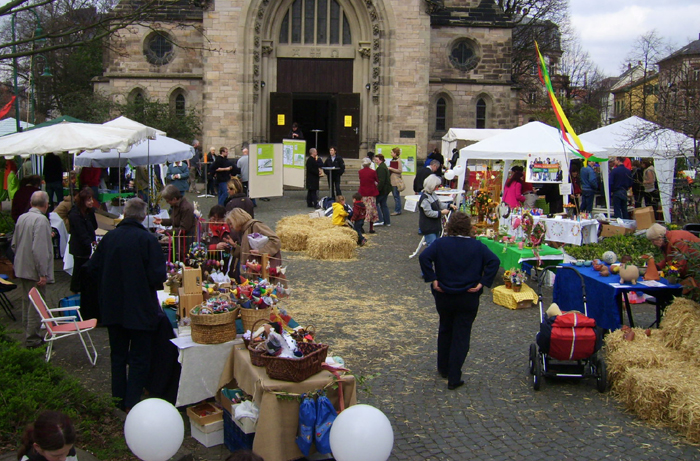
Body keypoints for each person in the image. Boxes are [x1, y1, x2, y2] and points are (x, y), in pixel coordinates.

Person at [85, 198, 167, 411]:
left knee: (118, 356)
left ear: (124, 213)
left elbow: (91, 269)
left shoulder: (109, 238)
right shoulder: (147, 240)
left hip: (113, 308)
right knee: (140, 358)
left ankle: (117, 399)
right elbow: (158, 276)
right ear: (142, 216)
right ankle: (132, 402)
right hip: (140, 308)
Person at [419, 211, 499, 390]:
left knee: (445, 328)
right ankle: (454, 375)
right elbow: (494, 261)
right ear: (468, 227)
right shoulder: (477, 246)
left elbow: (424, 257)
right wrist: (482, 283)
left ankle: (443, 367)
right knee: (461, 335)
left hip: (444, 294)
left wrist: (432, 278)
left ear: (450, 226)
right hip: (468, 295)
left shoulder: (440, 244)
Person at [12, 191, 54, 349]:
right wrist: (42, 273)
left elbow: (14, 243)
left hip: (22, 266)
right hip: (34, 270)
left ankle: (28, 332)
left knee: (26, 301)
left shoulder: (22, 218)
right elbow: (39, 250)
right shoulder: (41, 220)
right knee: (37, 304)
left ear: (31, 203)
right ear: (46, 204)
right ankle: (33, 338)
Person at [67, 187, 97, 294]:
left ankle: (82, 288)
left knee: (82, 268)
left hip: (86, 245)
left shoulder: (88, 213)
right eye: (88, 200)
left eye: (92, 199)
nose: (91, 202)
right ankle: (76, 289)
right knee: (79, 268)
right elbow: (81, 232)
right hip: (79, 246)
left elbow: (94, 227)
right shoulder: (75, 214)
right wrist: (89, 243)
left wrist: (92, 212)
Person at [419, 174, 453, 246]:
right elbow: (429, 213)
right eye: (436, 186)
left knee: (436, 245)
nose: (437, 188)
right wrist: (441, 213)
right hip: (428, 226)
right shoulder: (425, 198)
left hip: (435, 225)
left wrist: (449, 205)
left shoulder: (433, 194)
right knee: (432, 245)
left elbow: (439, 204)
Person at [358, 157, 379, 234]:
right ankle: (371, 228)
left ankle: (361, 226)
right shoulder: (373, 172)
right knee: (371, 210)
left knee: (363, 210)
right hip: (371, 193)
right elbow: (377, 180)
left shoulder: (360, 172)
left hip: (363, 193)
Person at [374, 154, 392, 227]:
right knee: (383, 204)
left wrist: (377, 190)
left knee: (376, 203)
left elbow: (381, 181)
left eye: (377, 160)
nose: (376, 162)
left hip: (383, 189)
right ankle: (387, 221)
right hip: (386, 189)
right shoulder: (383, 166)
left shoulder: (381, 168)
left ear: (380, 160)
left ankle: (380, 219)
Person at [388, 147, 403, 216]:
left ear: (395, 153)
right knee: (395, 196)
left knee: (396, 196)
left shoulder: (398, 161)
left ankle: (397, 210)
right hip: (392, 180)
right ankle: (398, 209)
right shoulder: (393, 160)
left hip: (395, 181)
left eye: (392, 152)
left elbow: (400, 170)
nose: (391, 154)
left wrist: (391, 168)